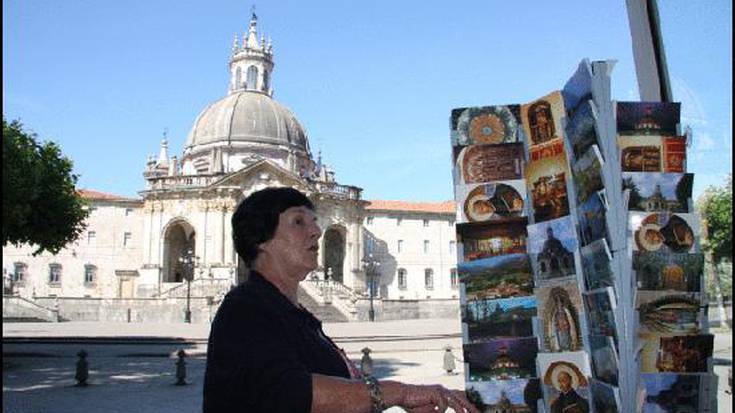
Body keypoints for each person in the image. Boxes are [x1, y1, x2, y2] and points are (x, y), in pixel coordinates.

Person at [203, 187, 478, 413]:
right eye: (299, 221)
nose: (316, 232)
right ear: (261, 239)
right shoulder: (245, 309)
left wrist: (402, 402)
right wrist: (400, 393)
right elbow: (293, 394)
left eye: (314, 222)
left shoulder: (294, 314)